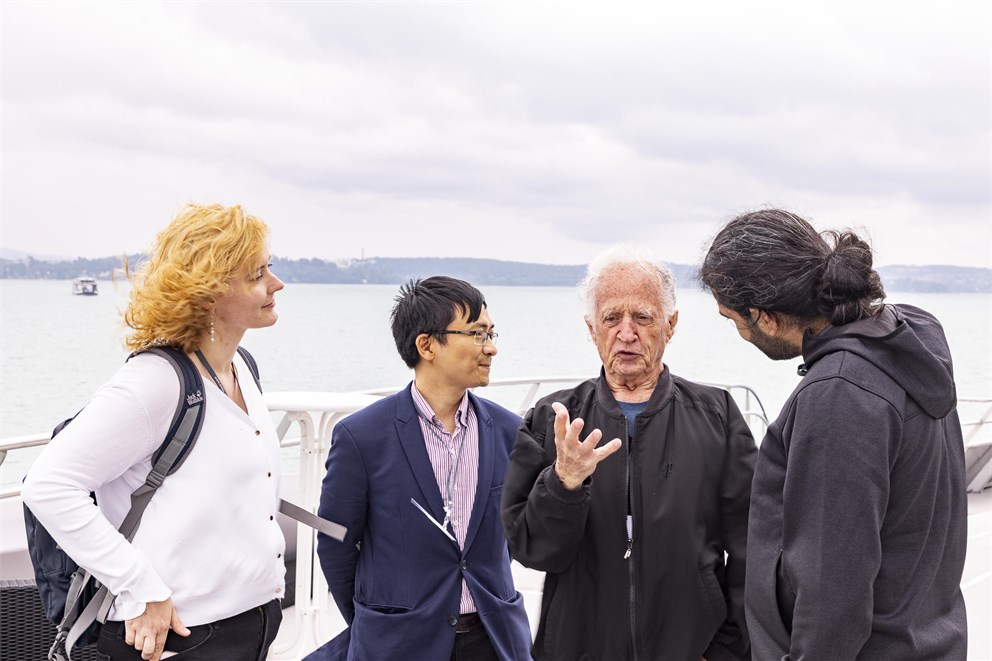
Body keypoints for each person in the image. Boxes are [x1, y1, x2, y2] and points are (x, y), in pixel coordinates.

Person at [700, 208, 968, 660]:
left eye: (733, 320)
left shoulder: (839, 395)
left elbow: (833, 586)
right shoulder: (905, 346)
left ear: (764, 317)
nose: (739, 334)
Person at [22, 203, 287, 661]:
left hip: (255, 620)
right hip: (183, 635)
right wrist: (141, 587)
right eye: (257, 274)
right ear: (208, 293)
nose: (277, 284)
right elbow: (48, 485)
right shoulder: (156, 382)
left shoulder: (242, 367)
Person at [501, 245, 756, 661]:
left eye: (642, 317)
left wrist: (728, 649)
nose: (626, 333)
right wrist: (564, 482)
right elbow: (533, 550)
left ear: (670, 325)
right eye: (611, 318)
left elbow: (753, 546)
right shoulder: (553, 419)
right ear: (591, 327)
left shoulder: (718, 415)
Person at [309, 276, 532, 661]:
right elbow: (335, 543)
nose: (491, 348)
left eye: (492, 333)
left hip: (493, 640)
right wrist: (377, 622)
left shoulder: (510, 431)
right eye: (478, 334)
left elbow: (507, 539)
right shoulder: (362, 437)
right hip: (399, 644)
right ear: (426, 345)